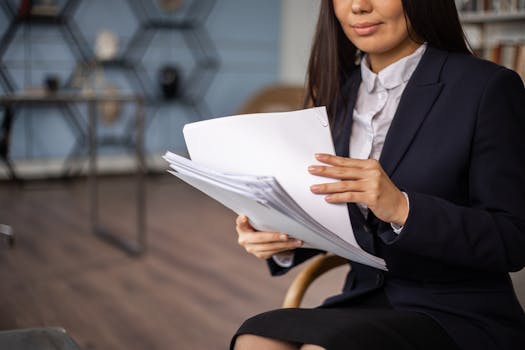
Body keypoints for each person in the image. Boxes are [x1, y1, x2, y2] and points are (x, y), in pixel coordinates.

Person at [231, 0, 525, 349]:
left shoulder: (487, 87)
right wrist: (278, 237)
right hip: (363, 301)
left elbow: (512, 239)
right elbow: (338, 220)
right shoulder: (336, 92)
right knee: (254, 339)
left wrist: (402, 207)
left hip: (458, 312)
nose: (358, 6)